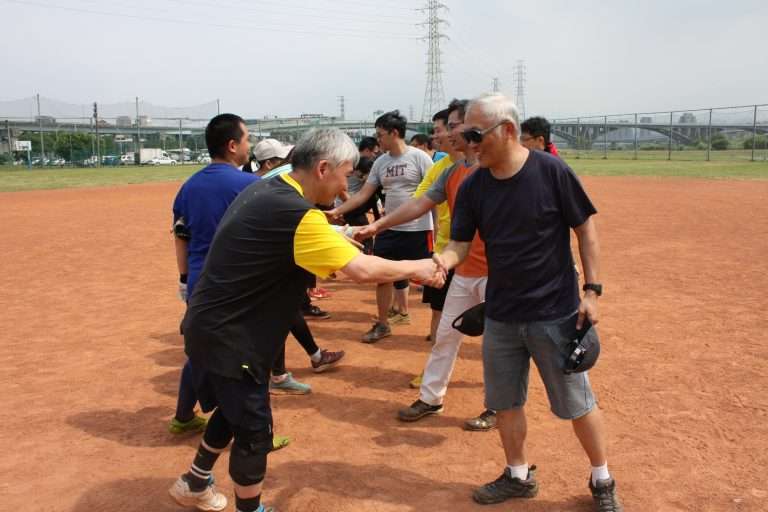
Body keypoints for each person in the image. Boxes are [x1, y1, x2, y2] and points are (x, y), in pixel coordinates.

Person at [169, 128, 444, 512]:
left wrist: (340, 231)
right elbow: (363, 270)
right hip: (233, 338)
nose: (345, 185)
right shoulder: (299, 215)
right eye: (344, 174)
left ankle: (194, 482)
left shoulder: (273, 183)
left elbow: (290, 232)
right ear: (323, 168)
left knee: (235, 412)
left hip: (212, 326)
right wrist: (421, 267)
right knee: (253, 433)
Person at [433, 93, 622, 511]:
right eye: (464, 134)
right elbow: (460, 245)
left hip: (554, 313)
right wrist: (441, 263)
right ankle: (518, 476)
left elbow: (585, 230)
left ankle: (602, 478)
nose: (468, 143)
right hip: (501, 315)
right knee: (504, 402)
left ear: (509, 130)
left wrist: (592, 291)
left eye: (475, 134)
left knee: (576, 403)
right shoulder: (473, 186)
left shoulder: (551, 171)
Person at [170, 114, 320, 433]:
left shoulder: (189, 186)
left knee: (200, 351)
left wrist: (185, 278)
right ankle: (256, 431)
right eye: (247, 139)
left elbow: (181, 236)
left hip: (199, 279)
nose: (249, 145)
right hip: (239, 283)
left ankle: (183, 415)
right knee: (251, 353)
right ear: (232, 145)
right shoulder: (251, 185)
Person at [355, 99, 495, 431]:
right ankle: (431, 398)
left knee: (498, 344)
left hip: (499, 273)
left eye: (448, 126)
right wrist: (378, 225)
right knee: (446, 334)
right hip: (463, 268)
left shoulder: (493, 170)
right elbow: (420, 203)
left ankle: (497, 406)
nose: (442, 134)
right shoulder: (451, 172)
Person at [327, 111, 434, 343]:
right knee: (382, 276)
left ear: (395, 133)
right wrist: (338, 211)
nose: (378, 141)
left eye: (380, 135)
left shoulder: (420, 158)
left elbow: (434, 195)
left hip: (418, 229)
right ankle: (383, 323)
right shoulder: (381, 163)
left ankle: (438, 328)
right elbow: (363, 194)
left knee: (431, 276)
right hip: (387, 229)